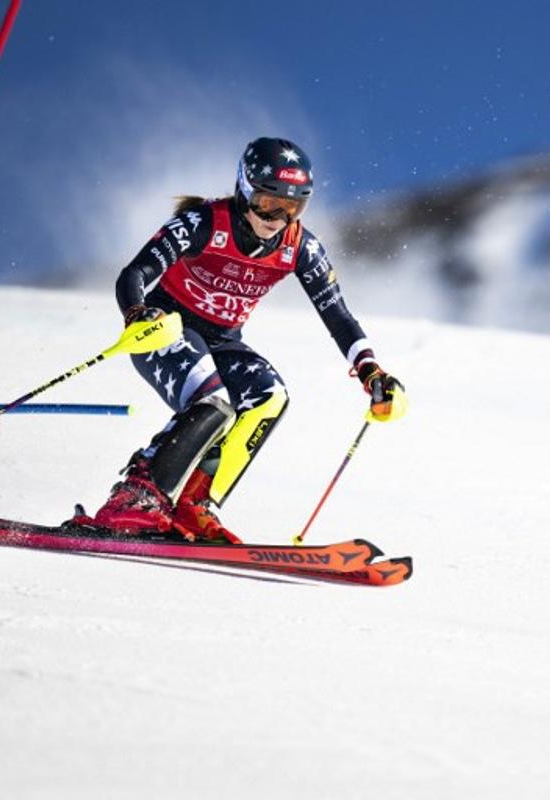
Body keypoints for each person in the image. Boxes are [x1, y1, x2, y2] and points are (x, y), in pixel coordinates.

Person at [76, 137, 407, 542]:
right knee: (213, 401)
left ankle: (196, 506)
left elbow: (338, 315)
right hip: (166, 328)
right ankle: (136, 498)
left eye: (293, 206)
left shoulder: (299, 246)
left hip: (221, 340)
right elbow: (134, 274)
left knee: (269, 396)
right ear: (245, 189)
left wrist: (370, 370)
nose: (278, 217)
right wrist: (137, 314)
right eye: (269, 202)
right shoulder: (204, 223)